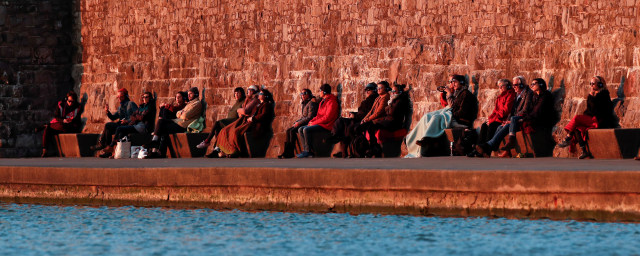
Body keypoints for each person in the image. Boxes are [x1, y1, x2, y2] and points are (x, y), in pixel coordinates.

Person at [404, 75, 478, 158]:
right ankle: (411, 138)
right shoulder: (458, 93)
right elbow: (450, 106)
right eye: (451, 82)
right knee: (427, 116)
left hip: (460, 120)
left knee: (436, 118)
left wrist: (450, 105)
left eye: (455, 82)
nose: (453, 84)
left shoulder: (466, 94)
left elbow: (461, 112)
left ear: (462, 83)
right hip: (453, 116)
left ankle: (427, 138)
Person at [557, 76, 618, 159]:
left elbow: (596, 110)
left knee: (577, 118)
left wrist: (592, 97)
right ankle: (584, 151)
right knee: (577, 127)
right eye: (590, 83)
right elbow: (588, 110)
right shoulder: (591, 95)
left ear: (600, 84)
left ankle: (568, 137)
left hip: (599, 120)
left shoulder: (604, 95)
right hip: (591, 118)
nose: (591, 85)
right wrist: (591, 97)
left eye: (593, 83)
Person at [475, 76, 534, 158]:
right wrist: (504, 120)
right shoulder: (516, 94)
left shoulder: (528, 93)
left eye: (516, 85)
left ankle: (487, 147)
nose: (514, 87)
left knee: (494, 126)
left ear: (522, 85)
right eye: (513, 85)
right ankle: (485, 148)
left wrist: (509, 120)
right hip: (512, 119)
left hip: (520, 119)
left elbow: (524, 110)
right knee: (493, 126)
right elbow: (510, 111)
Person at [215, 88, 275, 158]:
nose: (259, 95)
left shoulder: (266, 104)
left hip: (255, 124)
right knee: (227, 130)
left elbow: (263, 115)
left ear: (265, 96)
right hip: (249, 121)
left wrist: (252, 118)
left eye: (261, 94)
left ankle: (238, 151)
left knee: (236, 132)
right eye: (259, 93)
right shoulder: (258, 103)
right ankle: (227, 150)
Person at [326, 82, 379, 157]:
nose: (367, 91)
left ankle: (346, 150)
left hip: (361, 119)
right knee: (341, 121)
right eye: (366, 90)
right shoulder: (368, 100)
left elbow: (367, 113)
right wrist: (353, 113)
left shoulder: (372, 100)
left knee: (348, 127)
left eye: (369, 90)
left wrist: (355, 116)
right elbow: (362, 112)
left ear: (374, 90)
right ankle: (335, 136)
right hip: (358, 117)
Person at [146, 87, 203, 157]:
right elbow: (178, 113)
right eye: (188, 94)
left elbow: (184, 116)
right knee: (161, 122)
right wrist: (181, 113)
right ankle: (157, 148)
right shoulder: (190, 104)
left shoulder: (197, 104)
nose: (188, 96)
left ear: (196, 94)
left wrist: (181, 113)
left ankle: (157, 149)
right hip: (178, 122)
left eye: (191, 94)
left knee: (163, 127)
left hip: (183, 125)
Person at [206, 85, 260, 157]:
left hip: (244, 122)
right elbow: (242, 112)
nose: (249, 91)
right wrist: (241, 111)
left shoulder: (254, 100)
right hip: (240, 120)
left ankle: (232, 151)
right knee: (222, 130)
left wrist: (239, 110)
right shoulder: (247, 100)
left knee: (232, 131)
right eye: (249, 90)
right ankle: (218, 150)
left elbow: (245, 111)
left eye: (251, 90)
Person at [99, 92, 156, 158]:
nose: (144, 98)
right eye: (143, 97)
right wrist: (107, 112)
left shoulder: (149, 106)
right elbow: (133, 116)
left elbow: (141, 117)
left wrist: (130, 119)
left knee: (119, 129)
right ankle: (114, 152)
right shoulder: (139, 106)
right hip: (135, 124)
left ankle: (111, 146)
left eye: (146, 97)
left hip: (143, 127)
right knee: (115, 129)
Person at [360, 83, 411, 157]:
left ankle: (375, 148)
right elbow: (373, 111)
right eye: (392, 91)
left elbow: (390, 112)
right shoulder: (393, 100)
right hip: (388, 121)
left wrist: (389, 105)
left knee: (371, 125)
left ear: (399, 92)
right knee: (370, 126)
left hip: (394, 123)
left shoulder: (399, 101)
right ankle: (374, 147)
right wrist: (364, 119)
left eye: (394, 91)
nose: (392, 93)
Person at [468, 79, 516, 157]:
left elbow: (505, 111)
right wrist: (489, 119)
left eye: (502, 86)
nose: (500, 88)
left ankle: (486, 151)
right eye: (499, 86)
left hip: (503, 119)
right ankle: (478, 149)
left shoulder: (511, 95)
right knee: (484, 125)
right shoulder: (500, 97)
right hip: (497, 118)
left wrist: (492, 120)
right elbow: (495, 111)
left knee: (492, 126)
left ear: (508, 86)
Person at [296, 83, 340, 158]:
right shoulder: (322, 102)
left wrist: (314, 123)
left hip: (327, 125)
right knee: (300, 129)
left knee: (306, 130)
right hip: (321, 123)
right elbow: (318, 116)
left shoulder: (332, 102)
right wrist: (311, 121)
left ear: (324, 92)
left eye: (320, 91)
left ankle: (308, 151)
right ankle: (305, 150)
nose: (319, 92)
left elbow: (327, 118)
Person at [352, 82, 391, 157]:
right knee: (357, 127)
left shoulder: (385, 97)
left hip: (379, 120)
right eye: (378, 88)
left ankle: (371, 148)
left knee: (363, 127)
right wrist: (364, 119)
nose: (378, 90)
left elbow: (378, 113)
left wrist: (367, 120)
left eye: (380, 88)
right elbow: (371, 111)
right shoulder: (378, 98)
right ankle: (364, 149)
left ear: (385, 89)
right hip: (373, 119)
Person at [40, 91, 83, 157]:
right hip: (61, 124)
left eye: (72, 101)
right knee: (48, 129)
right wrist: (63, 120)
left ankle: (46, 125)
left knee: (54, 126)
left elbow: (77, 120)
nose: (70, 103)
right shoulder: (61, 105)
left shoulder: (77, 107)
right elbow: (56, 116)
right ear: (66, 99)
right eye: (69, 101)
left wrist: (69, 120)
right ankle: (44, 150)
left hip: (70, 126)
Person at [278, 89, 318, 159]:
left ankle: (290, 152)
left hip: (307, 123)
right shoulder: (304, 103)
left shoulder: (311, 103)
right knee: (288, 131)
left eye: (304, 93)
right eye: (301, 94)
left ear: (308, 94)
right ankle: (287, 151)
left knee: (292, 131)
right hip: (303, 122)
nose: (302, 95)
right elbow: (303, 116)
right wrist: (296, 122)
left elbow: (309, 117)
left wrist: (299, 123)